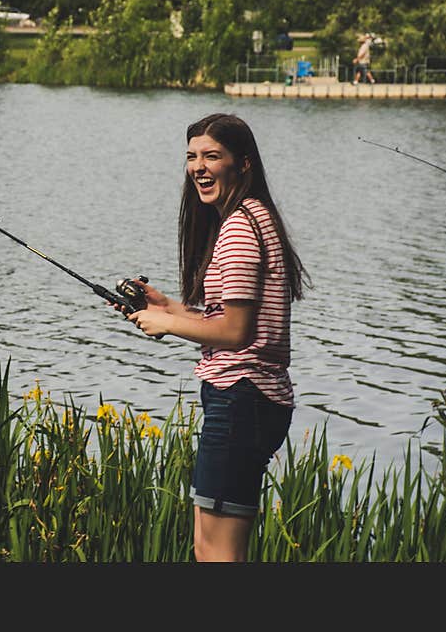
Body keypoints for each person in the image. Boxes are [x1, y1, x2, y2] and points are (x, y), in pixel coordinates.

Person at [123, 113, 309, 562]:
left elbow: (235, 332)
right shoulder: (255, 215)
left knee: (218, 555)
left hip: (241, 398)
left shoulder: (240, 228)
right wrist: (167, 307)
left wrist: (166, 325)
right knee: (208, 549)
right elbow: (226, 317)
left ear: (243, 163)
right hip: (249, 399)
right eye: (191, 157)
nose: (198, 167)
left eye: (212, 156)